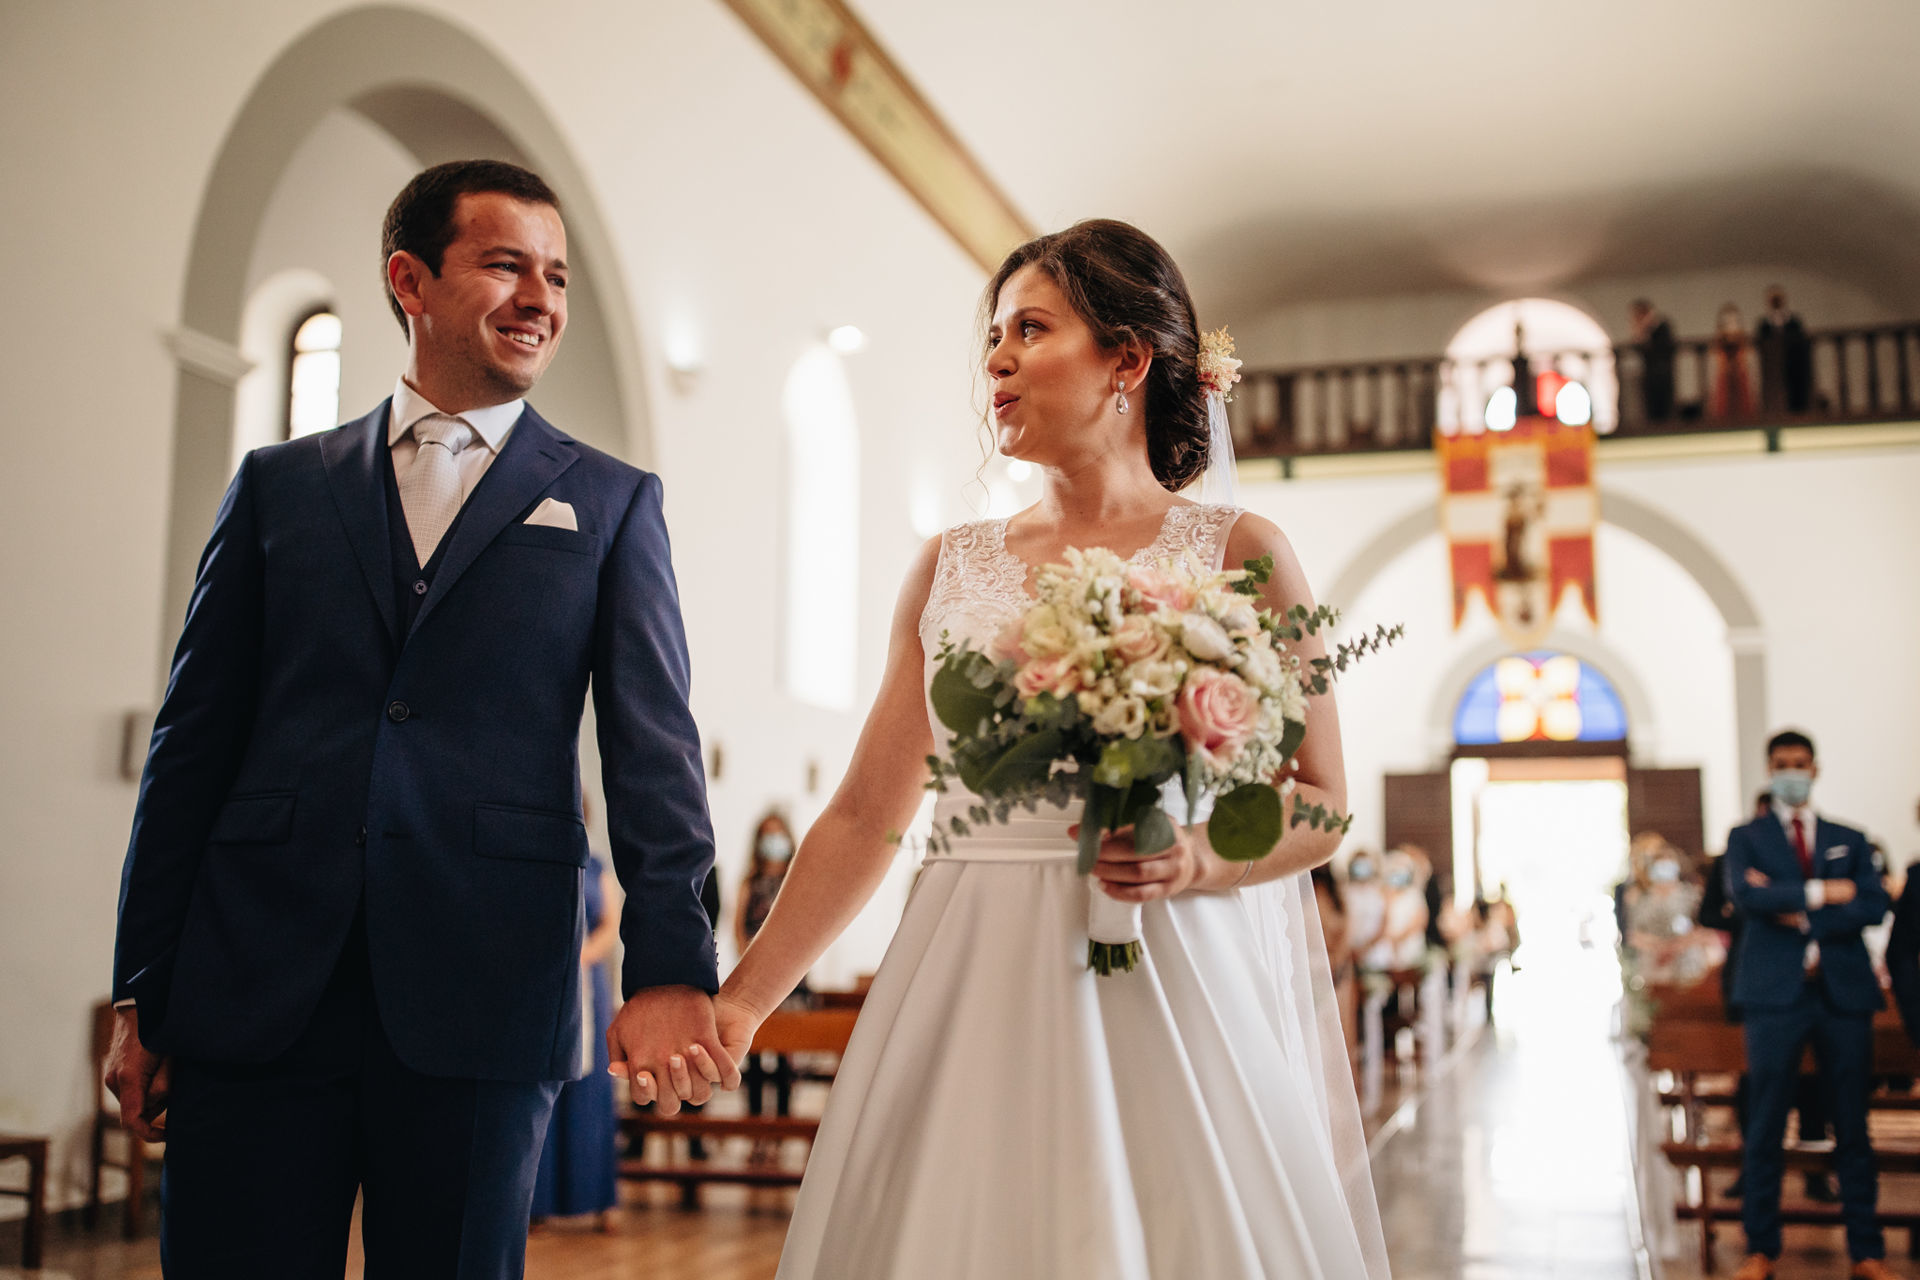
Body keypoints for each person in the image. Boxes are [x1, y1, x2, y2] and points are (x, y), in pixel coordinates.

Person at [692, 220, 1389, 1277]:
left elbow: (1325, 803)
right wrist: (744, 999)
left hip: (1168, 964)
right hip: (968, 969)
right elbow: (866, 812)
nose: (997, 361)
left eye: (1031, 328)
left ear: (1127, 357)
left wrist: (1200, 856)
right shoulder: (948, 566)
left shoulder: (1243, 554)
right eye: (993, 337)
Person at [103, 160, 736, 1278]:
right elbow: (189, 745)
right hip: (256, 979)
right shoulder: (277, 485)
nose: (540, 296)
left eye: (556, 275)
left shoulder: (609, 500)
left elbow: (654, 747)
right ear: (412, 279)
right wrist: (144, 988)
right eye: (505, 265)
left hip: (486, 984)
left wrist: (671, 960)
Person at [1725, 730, 1896, 1280]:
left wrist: (1792, 904)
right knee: (1766, 1123)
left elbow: (1871, 903)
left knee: (1852, 1125)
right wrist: (1824, 893)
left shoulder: (1849, 837)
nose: (1791, 772)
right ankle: (1760, 1248)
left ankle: (1866, 1252)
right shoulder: (1746, 838)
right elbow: (1746, 897)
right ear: (1768, 770)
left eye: (1800, 764)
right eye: (1781, 764)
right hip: (1775, 996)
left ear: (1815, 769)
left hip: (1840, 993)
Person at [530, 796, 622, 1231]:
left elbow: (609, 924)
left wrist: (583, 954)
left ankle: (598, 1199)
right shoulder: (533, 854)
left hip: (586, 979)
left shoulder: (597, 864)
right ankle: (538, 1201)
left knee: (591, 1095)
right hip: (543, 978)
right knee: (540, 1089)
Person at [735, 810, 804, 1120]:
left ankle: (783, 1123)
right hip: (755, 978)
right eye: (768, 835)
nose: (773, 841)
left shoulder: (798, 880)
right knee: (755, 1058)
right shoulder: (750, 883)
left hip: (792, 981)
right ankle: (755, 1125)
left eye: (779, 834)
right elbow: (739, 927)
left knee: (785, 1059)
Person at [1756, 286, 1814, 414]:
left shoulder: (1794, 321)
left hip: (1793, 363)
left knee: (1796, 392)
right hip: (1772, 367)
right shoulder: (1764, 324)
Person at [1629, 298, 1678, 424]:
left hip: (1663, 373)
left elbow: (1665, 349)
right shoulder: (1644, 330)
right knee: (1651, 407)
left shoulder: (1662, 327)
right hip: (1649, 374)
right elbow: (1637, 346)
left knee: (1665, 406)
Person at [1708, 304, 1758, 420]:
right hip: (1724, 385)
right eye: (1728, 322)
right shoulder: (1717, 343)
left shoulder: (1745, 343)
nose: (1731, 326)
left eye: (1734, 321)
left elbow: (1751, 368)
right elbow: (1713, 370)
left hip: (1742, 384)